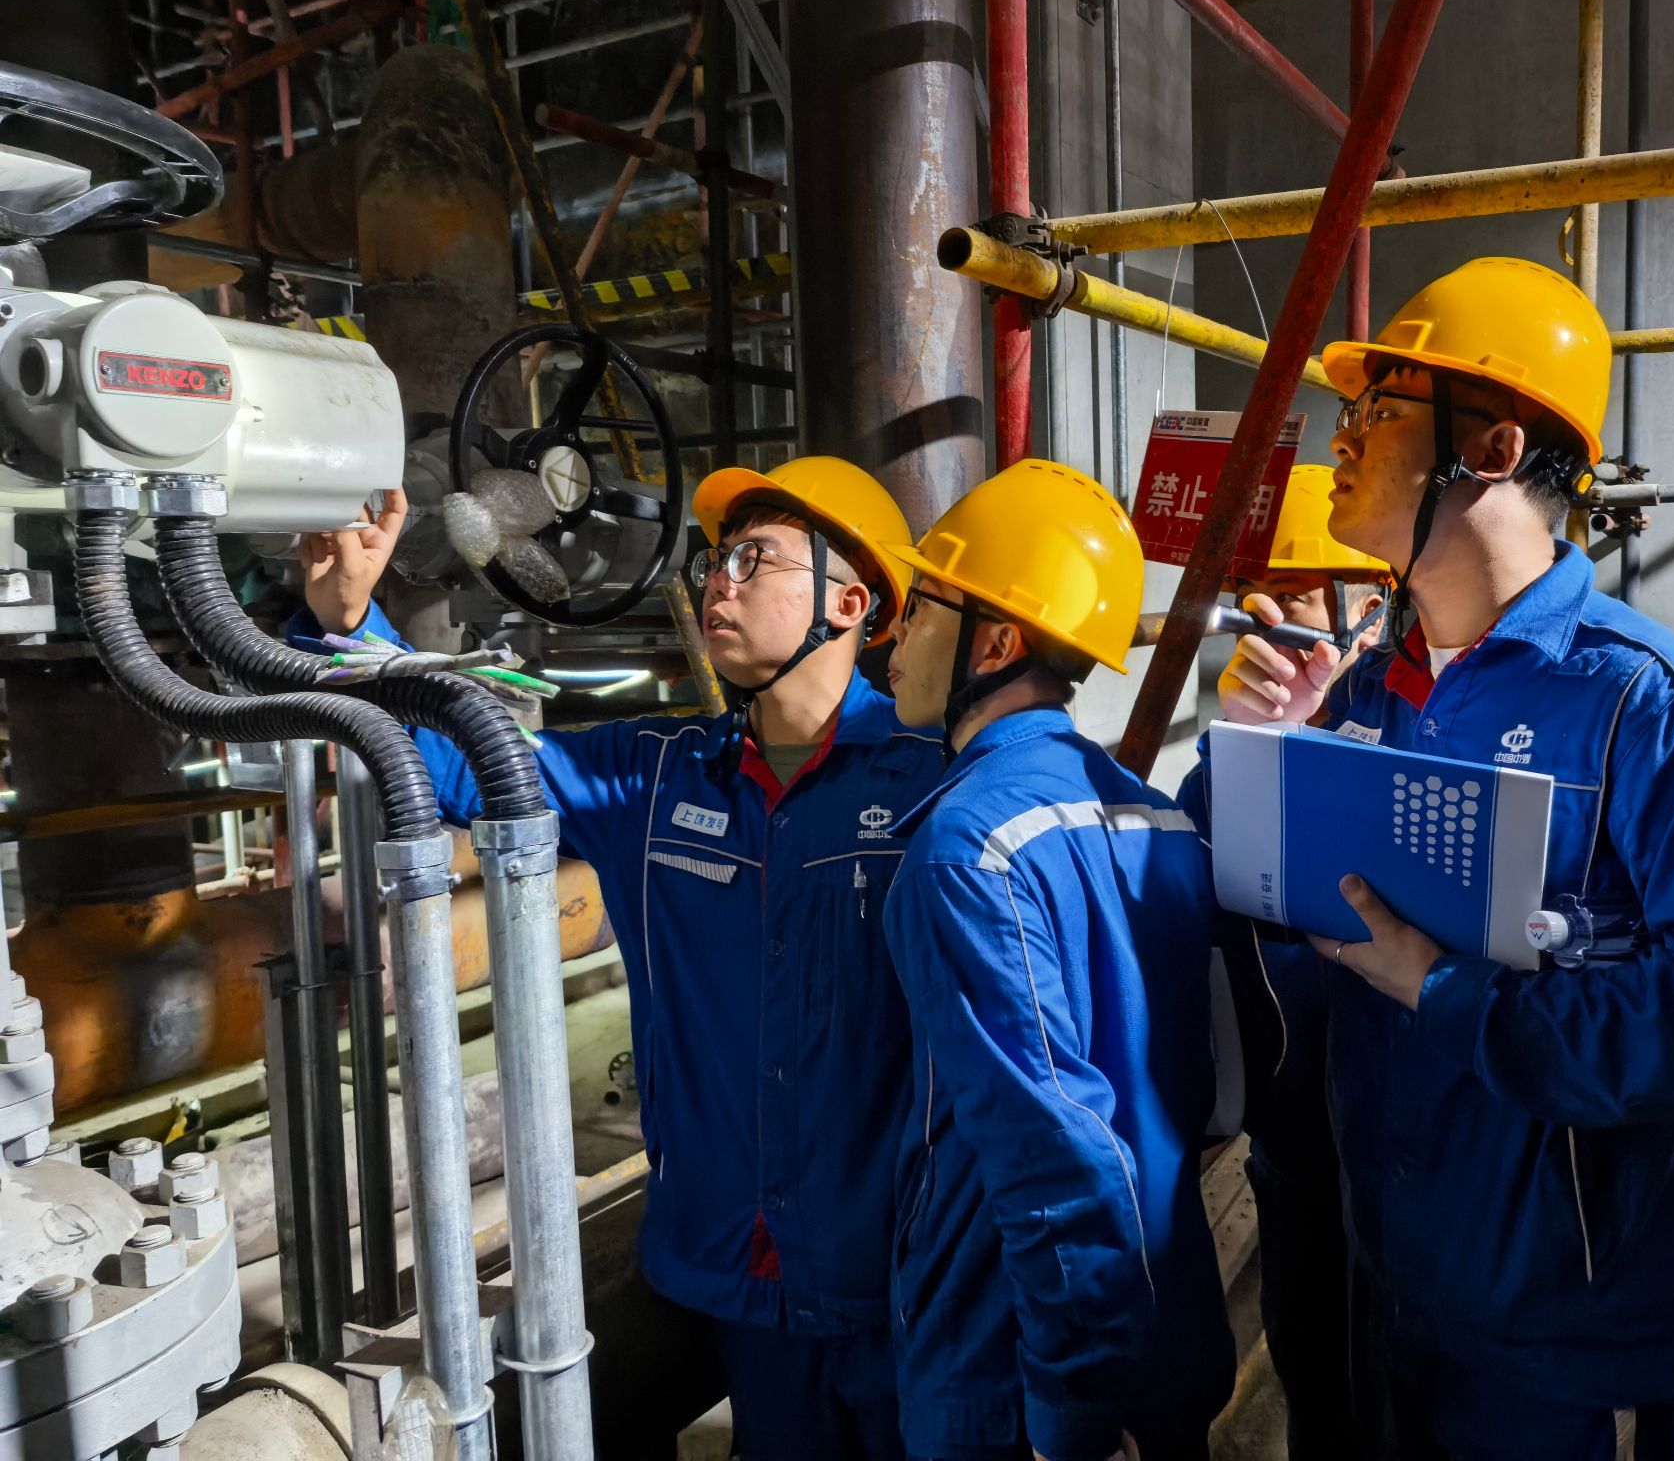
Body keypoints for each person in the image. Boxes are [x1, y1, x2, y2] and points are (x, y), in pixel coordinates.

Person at [1212, 257, 1674, 1460]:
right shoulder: (1369, 694)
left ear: (1493, 447)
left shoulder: (1654, 711)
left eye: (1376, 408)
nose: (1337, 438)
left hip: (1569, 1336)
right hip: (1394, 1291)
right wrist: (1265, 758)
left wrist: (1452, 995)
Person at [294, 458, 947, 1461]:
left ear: (847, 603)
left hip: (905, 1272)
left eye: (755, 560)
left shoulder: (930, 783)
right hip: (735, 1273)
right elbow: (460, 762)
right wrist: (350, 623)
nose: (719, 582)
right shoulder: (653, 777)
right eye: (716, 562)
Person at [878, 458, 1235, 1461]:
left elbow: (1053, 1155)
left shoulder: (965, 851)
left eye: (921, 605)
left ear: (996, 640)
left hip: (1020, 1370)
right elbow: (1209, 1092)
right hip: (1170, 1327)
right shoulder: (1158, 818)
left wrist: (1074, 1413)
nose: (895, 635)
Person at [1176, 463, 1389, 1460]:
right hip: (1296, 1155)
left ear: (1369, 608)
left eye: (1292, 597)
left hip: (1413, 1169)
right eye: (1250, 600)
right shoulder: (1225, 763)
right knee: (1316, 1379)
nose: (1262, 624)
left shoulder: (1423, 746)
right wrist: (1252, 747)